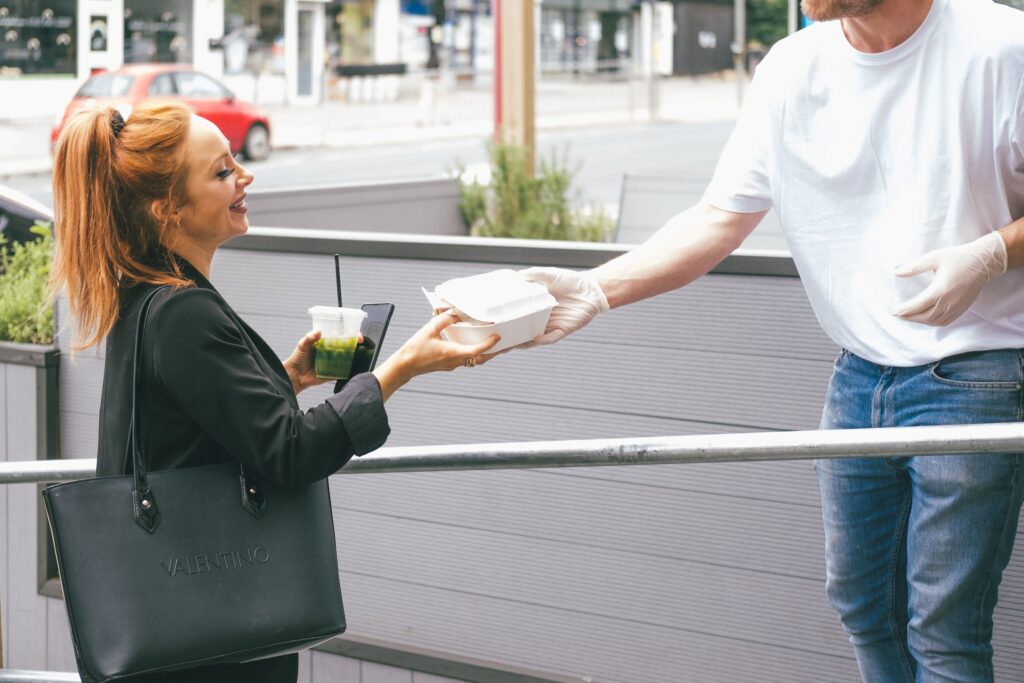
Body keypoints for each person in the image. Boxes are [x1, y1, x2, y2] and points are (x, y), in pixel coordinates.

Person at [519, 0, 1024, 680]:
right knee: (862, 604)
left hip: (976, 373)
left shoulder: (1002, 46)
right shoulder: (791, 68)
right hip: (856, 378)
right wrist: (596, 289)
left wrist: (993, 251)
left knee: (943, 630)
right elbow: (717, 220)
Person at [49, 101, 499, 683]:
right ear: (168, 209)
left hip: (181, 637)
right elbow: (290, 452)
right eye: (220, 172)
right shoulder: (184, 311)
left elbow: (187, 422)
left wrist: (284, 378)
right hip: (211, 652)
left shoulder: (146, 297)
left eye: (234, 162)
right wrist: (400, 369)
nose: (245, 176)